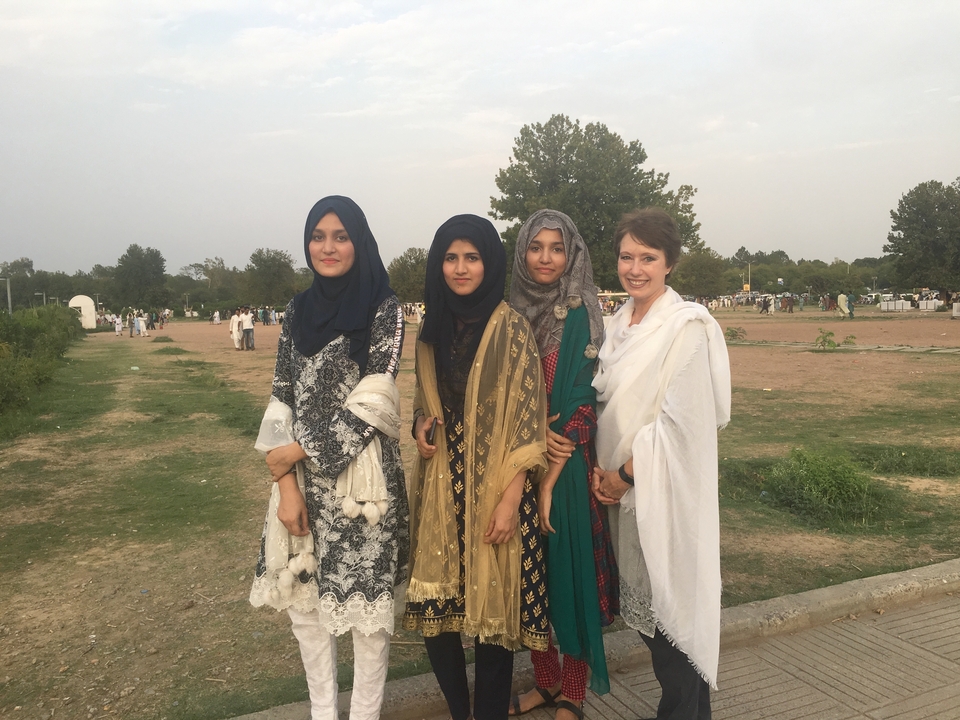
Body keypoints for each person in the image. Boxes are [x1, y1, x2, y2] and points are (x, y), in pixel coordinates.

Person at [249, 195, 409, 720]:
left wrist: (298, 450)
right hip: (302, 487)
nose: (328, 246)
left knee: (367, 621)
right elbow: (282, 395)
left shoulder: (384, 308)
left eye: (341, 236)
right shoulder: (296, 310)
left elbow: (375, 400)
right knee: (308, 611)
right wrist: (287, 483)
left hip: (364, 490)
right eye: (318, 236)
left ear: (359, 242)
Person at [403, 214, 550, 720]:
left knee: (494, 618)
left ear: (489, 264)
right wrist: (421, 424)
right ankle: (459, 711)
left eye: (471, 257)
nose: (460, 268)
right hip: (443, 485)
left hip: (496, 487)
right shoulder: (432, 328)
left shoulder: (510, 327)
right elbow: (425, 401)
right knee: (437, 616)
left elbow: (527, 421)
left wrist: (511, 501)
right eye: (450, 257)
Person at [591, 208, 730, 720]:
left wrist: (624, 475)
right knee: (657, 628)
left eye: (648, 257)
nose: (635, 268)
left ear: (670, 263)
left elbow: (682, 424)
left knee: (672, 620)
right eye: (626, 256)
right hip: (616, 494)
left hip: (661, 495)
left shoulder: (687, 327)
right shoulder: (615, 325)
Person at [507, 209, 618, 720]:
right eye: (537, 247)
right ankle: (545, 681)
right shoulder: (509, 309)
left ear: (571, 253)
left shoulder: (581, 310)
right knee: (529, 576)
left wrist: (550, 474)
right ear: (523, 252)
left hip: (565, 462)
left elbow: (582, 397)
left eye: (557, 247)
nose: (546, 258)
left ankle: (573, 691)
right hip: (516, 459)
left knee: (568, 572)